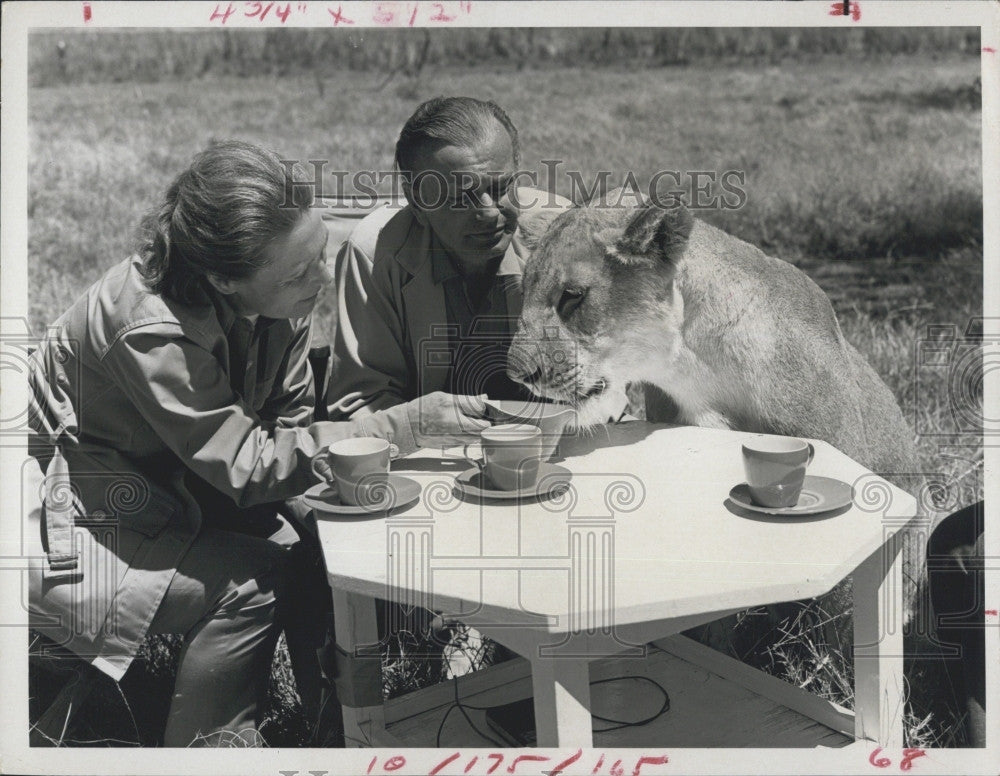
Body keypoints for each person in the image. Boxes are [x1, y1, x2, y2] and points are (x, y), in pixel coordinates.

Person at [26, 140, 489, 746]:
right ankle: (216, 747)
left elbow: (287, 419)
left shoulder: (274, 295)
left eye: (320, 255)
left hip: (159, 479)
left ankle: (342, 729)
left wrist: (328, 530)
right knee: (251, 583)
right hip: (60, 508)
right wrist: (400, 426)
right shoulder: (149, 328)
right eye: (300, 273)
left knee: (321, 547)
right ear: (222, 277)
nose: (322, 280)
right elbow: (247, 466)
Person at [329, 96, 572, 425]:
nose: (488, 212)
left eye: (502, 187)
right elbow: (362, 402)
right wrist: (423, 429)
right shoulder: (373, 254)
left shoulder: (563, 235)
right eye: (461, 196)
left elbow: (606, 383)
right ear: (418, 204)